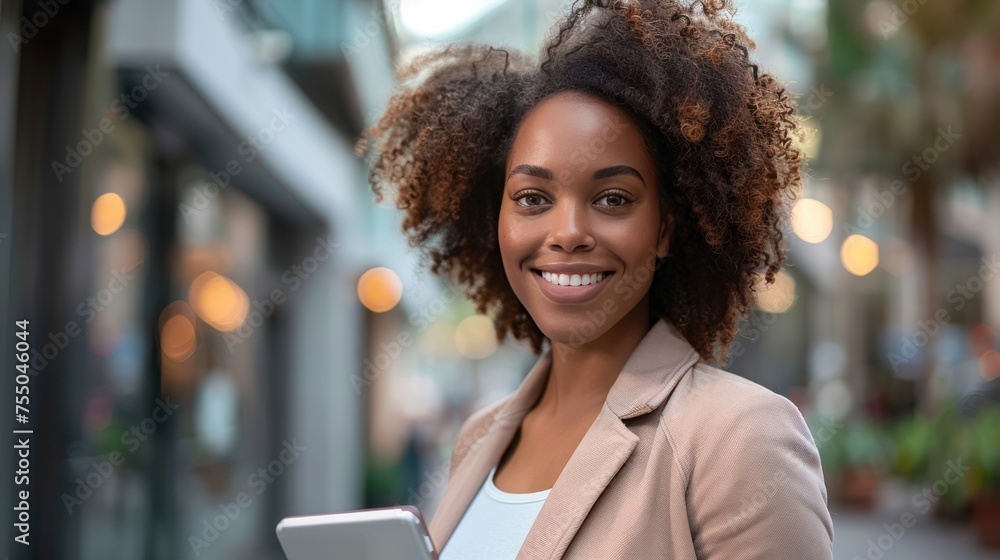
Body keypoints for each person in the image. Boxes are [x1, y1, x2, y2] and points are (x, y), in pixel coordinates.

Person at [356, 0, 834, 558]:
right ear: (497, 222)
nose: (569, 233)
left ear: (665, 229)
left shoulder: (739, 437)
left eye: (612, 198)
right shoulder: (478, 438)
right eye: (533, 198)